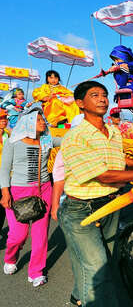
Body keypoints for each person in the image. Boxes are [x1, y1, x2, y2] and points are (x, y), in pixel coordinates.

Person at [58, 81, 133, 307]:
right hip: (81, 210)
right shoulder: (76, 137)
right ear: (80, 103)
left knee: (96, 261)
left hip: (110, 204)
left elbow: (117, 160)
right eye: (94, 95)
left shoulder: (114, 131)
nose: (102, 99)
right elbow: (104, 175)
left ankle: (78, 295)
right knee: (97, 268)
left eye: (105, 95)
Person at [0, 103, 61, 287]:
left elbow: (69, 141)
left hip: (44, 190)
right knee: (18, 236)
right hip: (18, 191)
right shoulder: (13, 141)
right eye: (39, 119)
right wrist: (4, 192)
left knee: (41, 234)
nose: (43, 122)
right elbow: (4, 169)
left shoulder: (47, 140)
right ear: (27, 122)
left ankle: (36, 271)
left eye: (43, 119)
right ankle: (11, 258)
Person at [0, 109, 9, 239]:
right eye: (0, 118)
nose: (3, 120)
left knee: (3, 206)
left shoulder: (8, 134)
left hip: (5, 175)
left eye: (4, 118)